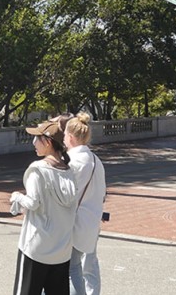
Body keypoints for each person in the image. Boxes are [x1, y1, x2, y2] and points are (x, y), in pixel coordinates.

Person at [10, 120, 78, 295]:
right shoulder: (69, 172)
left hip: (36, 247)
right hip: (62, 247)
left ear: (47, 142)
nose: (33, 143)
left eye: (37, 138)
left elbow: (32, 202)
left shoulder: (37, 170)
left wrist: (17, 197)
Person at [64, 113, 106, 295]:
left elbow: (65, 195)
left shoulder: (73, 162)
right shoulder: (96, 161)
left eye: (65, 135)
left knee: (72, 271)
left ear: (71, 137)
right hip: (91, 222)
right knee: (84, 268)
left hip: (74, 223)